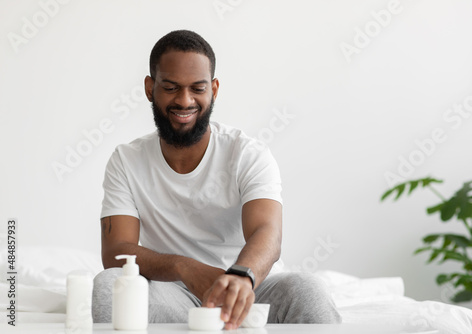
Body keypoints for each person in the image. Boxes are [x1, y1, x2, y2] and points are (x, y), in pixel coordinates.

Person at [92, 29, 341, 329]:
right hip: (171, 292)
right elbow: (116, 250)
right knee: (109, 285)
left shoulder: (247, 154)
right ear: (150, 88)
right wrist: (184, 267)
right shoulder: (127, 160)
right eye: (171, 87)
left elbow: (268, 233)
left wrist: (240, 276)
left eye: (197, 88)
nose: (185, 101)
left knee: (308, 289)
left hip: (250, 285)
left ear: (214, 89)